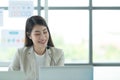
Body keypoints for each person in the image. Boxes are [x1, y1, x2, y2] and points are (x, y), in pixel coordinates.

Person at [8, 15, 64, 80]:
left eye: (45, 32)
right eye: (37, 34)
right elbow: (10, 76)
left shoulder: (58, 54)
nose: (43, 37)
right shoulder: (20, 53)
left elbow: (59, 77)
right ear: (29, 35)